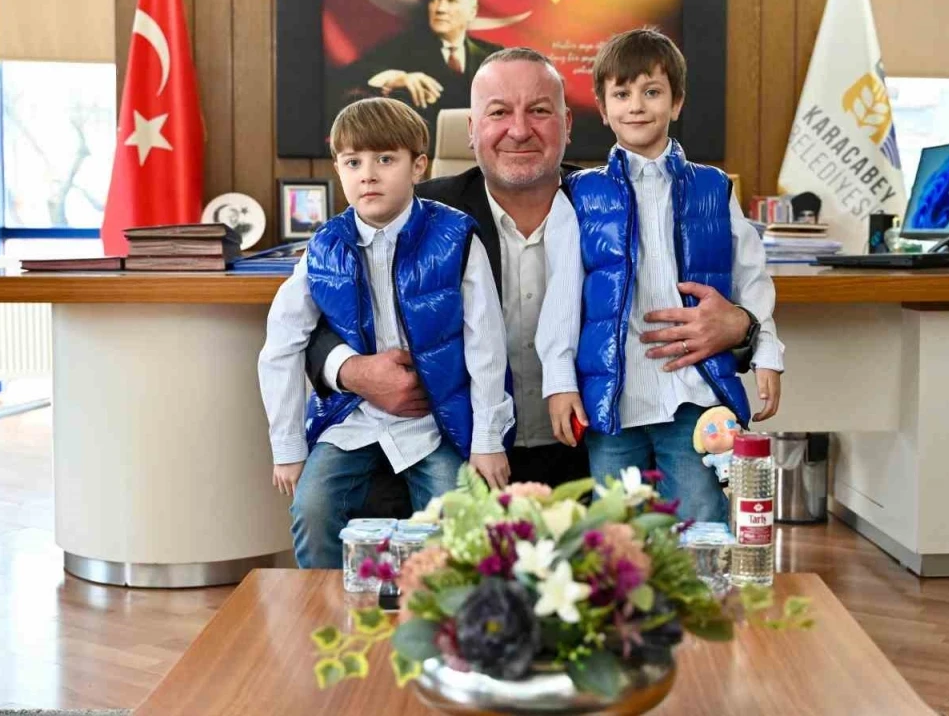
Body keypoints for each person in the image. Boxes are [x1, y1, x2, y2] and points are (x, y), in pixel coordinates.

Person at [306, 48, 764, 492]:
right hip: (459, 457)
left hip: (591, 452)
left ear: (567, 124)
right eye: (499, 112)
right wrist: (351, 371)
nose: (519, 130)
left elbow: (695, 288)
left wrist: (742, 327)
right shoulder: (419, 213)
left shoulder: (608, 201)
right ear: (472, 129)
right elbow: (318, 311)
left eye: (539, 111)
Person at [538, 27, 784, 523]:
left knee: (700, 517)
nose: (636, 106)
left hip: (693, 391)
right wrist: (559, 381)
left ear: (677, 103)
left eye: (652, 92)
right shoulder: (579, 194)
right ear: (602, 108)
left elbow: (752, 278)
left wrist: (766, 352)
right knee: (617, 528)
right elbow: (561, 298)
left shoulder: (714, 187)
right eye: (621, 94)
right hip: (615, 396)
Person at [257, 97, 514, 569]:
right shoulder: (323, 247)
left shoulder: (456, 237)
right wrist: (288, 447)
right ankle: (326, 607)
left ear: (418, 166)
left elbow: (487, 343)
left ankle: (439, 608)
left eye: (385, 159)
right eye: (353, 162)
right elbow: (281, 345)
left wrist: (488, 439)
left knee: (455, 518)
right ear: (338, 169)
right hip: (352, 417)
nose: (368, 175)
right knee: (313, 507)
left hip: (432, 421)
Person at [333, 0, 503, 149]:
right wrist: (398, 78)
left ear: (472, 11)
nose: (440, 8)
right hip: (423, 151)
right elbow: (353, 74)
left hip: (480, 152)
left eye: (451, 0)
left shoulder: (492, 55)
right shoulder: (403, 47)